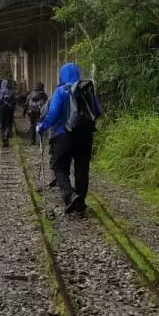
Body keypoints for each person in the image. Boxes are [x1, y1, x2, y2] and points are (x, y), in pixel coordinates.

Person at [37, 63, 102, 216]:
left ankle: (71, 195)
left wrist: (43, 126)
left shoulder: (61, 91)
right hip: (85, 136)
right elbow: (97, 112)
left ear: (62, 75)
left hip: (63, 135)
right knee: (82, 169)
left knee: (59, 167)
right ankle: (80, 205)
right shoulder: (87, 90)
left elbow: (53, 113)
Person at [0, 79, 17, 147]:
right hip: (9, 110)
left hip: (1, 110)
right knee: (8, 124)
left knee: (2, 125)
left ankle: (3, 138)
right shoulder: (11, 92)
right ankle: (6, 135)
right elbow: (14, 102)